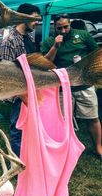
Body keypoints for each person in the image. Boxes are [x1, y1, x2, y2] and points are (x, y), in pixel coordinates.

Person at [41, 13, 102, 159]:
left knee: (92, 117)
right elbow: (45, 63)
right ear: (54, 27)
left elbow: (96, 53)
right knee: (61, 120)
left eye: (66, 27)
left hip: (83, 84)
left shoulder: (83, 35)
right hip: (61, 88)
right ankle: (64, 150)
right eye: (59, 28)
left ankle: (99, 147)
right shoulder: (49, 41)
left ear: (70, 24)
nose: (63, 30)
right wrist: (56, 46)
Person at [0, 3, 40, 156]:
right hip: (20, 92)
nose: (37, 22)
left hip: (31, 88)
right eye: (35, 18)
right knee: (17, 128)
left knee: (29, 126)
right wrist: (20, 95)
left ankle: (29, 158)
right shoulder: (9, 40)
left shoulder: (28, 36)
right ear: (24, 17)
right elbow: (4, 71)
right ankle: (19, 166)